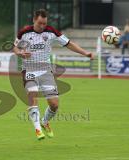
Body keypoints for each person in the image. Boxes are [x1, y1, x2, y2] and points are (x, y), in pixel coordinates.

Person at [13, 9, 94, 140]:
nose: (42, 26)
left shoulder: (51, 32)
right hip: (29, 69)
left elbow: (69, 44)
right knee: (32, 96)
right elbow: (15, 47)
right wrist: (19, 53)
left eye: (44, 23)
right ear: (34, 20)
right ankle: (38, 129)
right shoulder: (24, 32)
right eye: (40, 23)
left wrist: (85, 53)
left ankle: (44, 122)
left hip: (46, 71)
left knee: (54, 104)